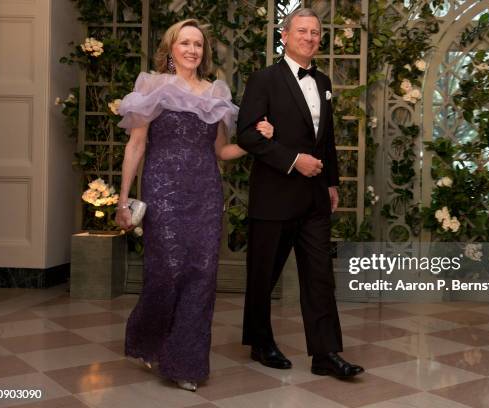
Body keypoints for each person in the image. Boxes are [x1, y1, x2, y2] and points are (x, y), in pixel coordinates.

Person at [114, 19, 274, 391]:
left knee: (202, 276)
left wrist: (257, 139)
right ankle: (146, 336)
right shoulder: (152, 86)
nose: (191, 50)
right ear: (170, 49)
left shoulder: (215, 93)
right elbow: (136, 145)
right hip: (163, 190)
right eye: (184, 43)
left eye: (197, 44)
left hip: (204, 191)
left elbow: (221, 151)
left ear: (204, 52)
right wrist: (123, 199)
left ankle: (186, 363)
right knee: (166, 271)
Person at [237, 8, 364, 378]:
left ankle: (325, 354)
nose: (309, 37)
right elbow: (245, 134)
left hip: (314, 198)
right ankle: (260, 342)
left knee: (320, 276)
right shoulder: (263, 80)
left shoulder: (323, 80)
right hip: (274, 196)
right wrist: (294, 160)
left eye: (315, 32)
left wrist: (332, 181)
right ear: (285, 35)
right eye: (302, 31)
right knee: (263, 276)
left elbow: (326, 139)